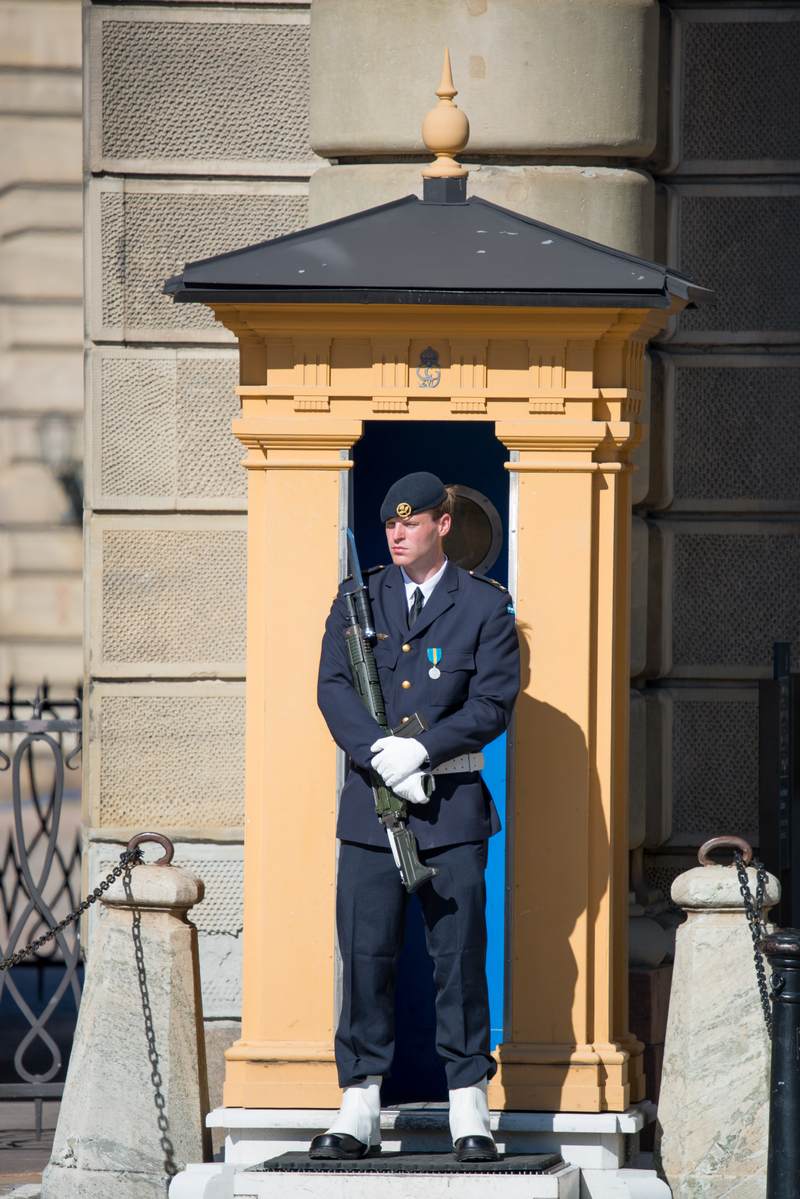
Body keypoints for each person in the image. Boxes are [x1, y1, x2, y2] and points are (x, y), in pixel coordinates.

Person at [310, 471, 520, 1162]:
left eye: (412, 522)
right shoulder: (357, 599)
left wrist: (422, 747)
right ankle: (360, 1104)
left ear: (443, 523)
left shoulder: (485, 608)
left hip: (450, 810)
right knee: (366, 955)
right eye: (390, 524)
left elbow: (491, 702)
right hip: (373, 810)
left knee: (458, 961)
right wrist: (378, 751)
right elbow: (334, 687)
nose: (397, 533)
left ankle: (468, 1107)